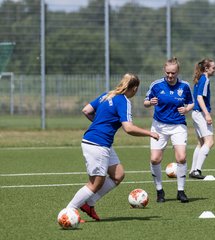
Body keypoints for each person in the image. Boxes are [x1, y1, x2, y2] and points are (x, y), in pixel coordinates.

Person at [64, 73, 159, 221]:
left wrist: (100, 123)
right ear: (134, 88)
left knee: (118, 174)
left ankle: (89, 203)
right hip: (98, 144)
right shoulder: (124, 101)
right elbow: (128, 128)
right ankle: (69, 210)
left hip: (100, 142)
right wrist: (149, 133)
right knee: (94, 184)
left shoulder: (106, 95)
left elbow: (86, 110)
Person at [144, 57, 194, 203]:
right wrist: (150, 102)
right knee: (155, 159)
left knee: (181, 158)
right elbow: (146, 102)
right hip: (159, 126)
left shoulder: (184, 86)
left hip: (178, 125)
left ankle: (181, 191)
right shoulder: (156, 85)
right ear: (164, 71)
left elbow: (191, 103)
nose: (170, 76)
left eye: (173, 73)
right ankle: (159, 191)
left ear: (178, 72)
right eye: (168, 73)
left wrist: (186, 109)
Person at [189, 58, 215, 179]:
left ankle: (192, 171)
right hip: (200, 113)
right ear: (206, 68)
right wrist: (207, 114)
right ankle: (197, 170)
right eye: (213, 68)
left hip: (195, 113)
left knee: (201, 143)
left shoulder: (200, 78)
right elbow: (199, 98)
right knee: (209, 142)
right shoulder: (205, 79)